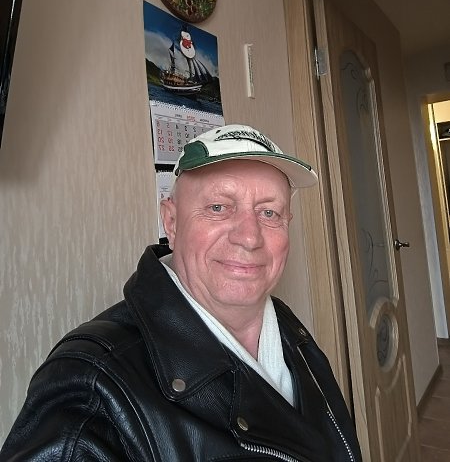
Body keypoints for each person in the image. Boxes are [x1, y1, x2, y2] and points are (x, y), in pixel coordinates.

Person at [1, 124, 362, 462]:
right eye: (218, 208)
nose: (250, 237)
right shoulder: (93, 385)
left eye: (269, 213)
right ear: (171, 223)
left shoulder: (288, 328)